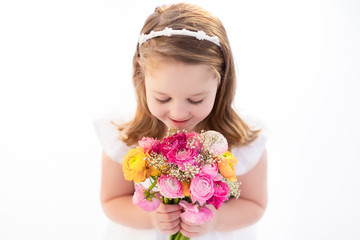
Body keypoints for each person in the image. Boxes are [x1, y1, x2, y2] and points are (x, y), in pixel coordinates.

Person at [93, 3, 268, 240]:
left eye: (195, 100)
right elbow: (111, 201)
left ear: (220, 83)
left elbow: (254, 204)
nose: (178, 112)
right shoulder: (124, 135)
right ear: (141, 79)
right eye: (162, 98)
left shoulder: (242, 139)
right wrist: (150, 216)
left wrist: (214, 219)